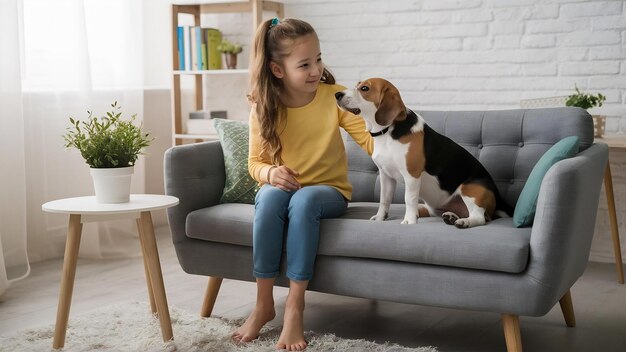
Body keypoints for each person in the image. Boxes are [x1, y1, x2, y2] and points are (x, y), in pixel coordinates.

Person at [231, 17, 373, 351]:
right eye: (305, 64)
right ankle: (263, 303)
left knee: (304, 200)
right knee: (268, 199)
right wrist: (271, 174)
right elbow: (255, 164)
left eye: (319, 59)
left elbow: (371, 141)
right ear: (278, 70)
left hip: (329, 193)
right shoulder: (264, 107)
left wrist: (393, 127)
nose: (316, 70)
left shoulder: (334, 98)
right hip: (285, 191)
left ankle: (295, 307)